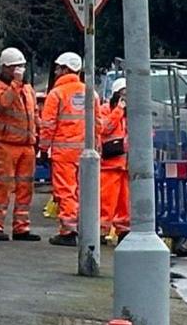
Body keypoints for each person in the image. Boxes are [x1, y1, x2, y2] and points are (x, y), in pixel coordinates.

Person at [0, 47, 40, 240]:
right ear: (5, 68)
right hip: (6, 145)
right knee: (3, 187)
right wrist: (16, 84)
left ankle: (21, 227)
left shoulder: (28, 89)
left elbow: (34, 115)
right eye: (15, 67)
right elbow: (3, 103)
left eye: (21, 67)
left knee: (26, 188)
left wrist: (37, 136)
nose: (19, 71)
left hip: (27, 145)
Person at [40, 52, 90, 246]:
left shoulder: (57, 93)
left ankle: (69, 230)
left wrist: (44, 148)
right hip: (86, 153)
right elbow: (98, 123)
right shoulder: (89, 92)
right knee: (83, 191)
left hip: (63, 153)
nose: (56, 71)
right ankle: (85, 228)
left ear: (66, 69)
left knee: (66, 191)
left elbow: (48, 124)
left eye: (59, 68)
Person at [98, 77, 132, 241]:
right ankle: (101, 231)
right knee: (107, 201)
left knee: (124, 203)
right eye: (123, 94)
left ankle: (124, 230)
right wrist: (118, 110)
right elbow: (104, 128)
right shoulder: (105, 109)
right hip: (109, 165)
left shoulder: (131, 115)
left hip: (125, 166)